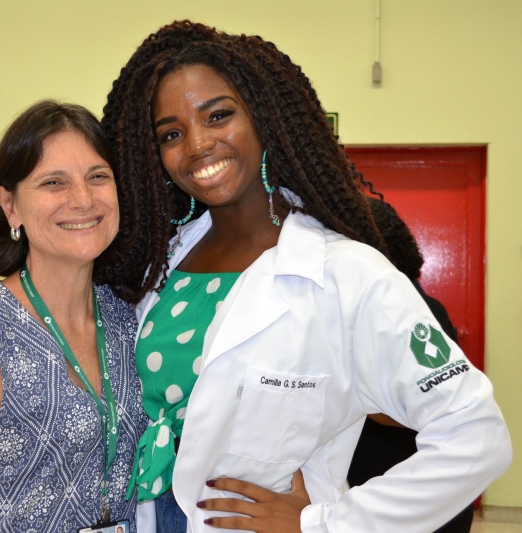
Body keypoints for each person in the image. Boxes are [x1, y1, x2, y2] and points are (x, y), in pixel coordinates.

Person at [102, 20, 511, 533]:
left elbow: (476, 437)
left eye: (219, 116)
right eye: (171, 133)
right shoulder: (157, 265)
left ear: (265, 119)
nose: (197, 145)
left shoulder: (346, 273)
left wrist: (324, 522)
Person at [0, 100, 148, 532]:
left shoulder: (131, 319)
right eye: (53, 182)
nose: (83, 199)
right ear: (10, 205)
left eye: (98, 177)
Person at [347, 197, 474, 533]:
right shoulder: (421, 305)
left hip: (404, 485)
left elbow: (436, 406)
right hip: (400, 486)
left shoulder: (414, 312)